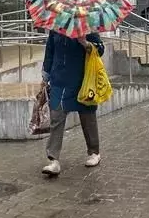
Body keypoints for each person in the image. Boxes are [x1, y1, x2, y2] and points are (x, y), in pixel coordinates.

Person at [40, 30, 104, 177]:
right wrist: (45, 75)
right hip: (59, 80)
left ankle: (94, 152)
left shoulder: (88, 26)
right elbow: (50, 50)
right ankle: (53, 160)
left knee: (87, 116)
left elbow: (100, 50)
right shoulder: (56, 28)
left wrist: (84, 42)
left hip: (83, 79)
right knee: (56, 116)